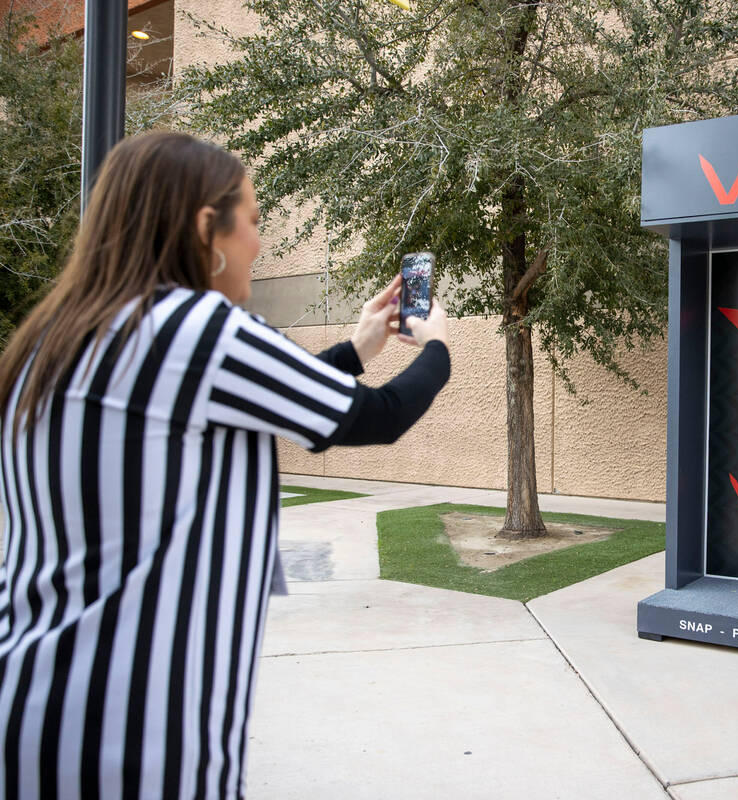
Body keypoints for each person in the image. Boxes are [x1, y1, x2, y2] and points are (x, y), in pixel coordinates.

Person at [0, 131, 450, 798]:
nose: (260, 246)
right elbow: (377, 417)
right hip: (136, 739)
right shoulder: (196, 325)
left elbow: (243, 399)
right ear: (205, 227)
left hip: (32, 710)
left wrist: (355, 348)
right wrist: (441, 347)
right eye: (255, 221)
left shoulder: (53, 337)